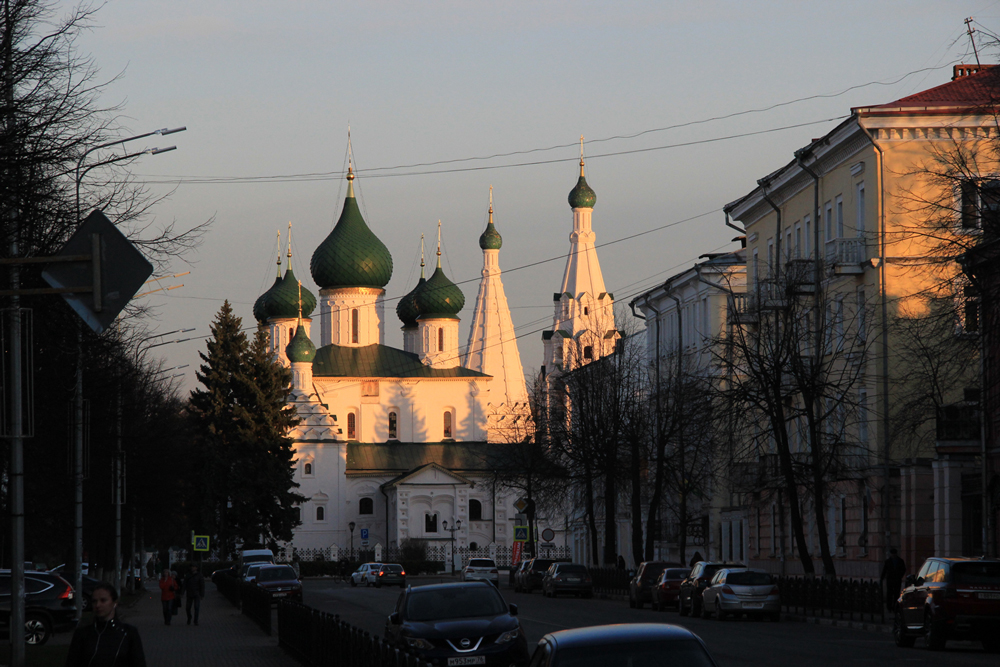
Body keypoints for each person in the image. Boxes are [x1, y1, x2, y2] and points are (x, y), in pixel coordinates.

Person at [65, 582, 146, 667]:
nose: (98, 605)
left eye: (103, 600)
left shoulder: (128, 633)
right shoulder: (83, 634)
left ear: (114, 603)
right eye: (94, 601)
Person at [880, 547, 906, 612]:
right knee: (890, 593)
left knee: (896, 593)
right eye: (892, 554)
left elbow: (903, 569)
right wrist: (882, 578)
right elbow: (884, 570)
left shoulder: (900, 561)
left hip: (897, 579)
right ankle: (889, 607)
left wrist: (900, 576)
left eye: (894, 554)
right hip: (890, 579)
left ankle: (895, 606)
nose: (893, 555)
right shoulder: (888, 561)